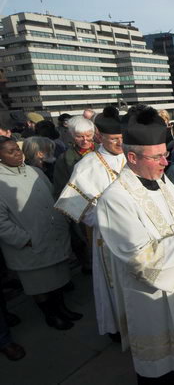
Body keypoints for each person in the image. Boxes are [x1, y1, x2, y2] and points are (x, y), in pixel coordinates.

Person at [96, 106, 174, 383]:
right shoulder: (114, 199)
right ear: (132, 157)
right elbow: (138, 256)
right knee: (167, 368)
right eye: (157, 157)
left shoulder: (161, 179)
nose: (165, 163)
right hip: (153, 296)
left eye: (165, 155)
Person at [54, 106, 126, 338]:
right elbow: (77, 207)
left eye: (122, 139)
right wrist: (107, 217)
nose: (119, 144)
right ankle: (117, 326)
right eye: (114, 139)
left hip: (136, 233)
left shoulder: (131, 157)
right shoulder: (88, 165)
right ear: (100, 137)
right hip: (107, 235)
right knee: (114, 283)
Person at [0, 136, 80, 331]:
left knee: (58, 278)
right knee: (40, 285)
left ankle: (62, 308)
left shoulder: (35, 171)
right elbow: (1, 223)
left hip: (51, 237)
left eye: (17, 149)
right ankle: (51, 315)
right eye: (10, 151)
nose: (17, 153)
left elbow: (52, 195)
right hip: (29, 245)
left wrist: (61, 222)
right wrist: (25, 240)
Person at [53, 116, 96, 197]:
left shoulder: (103, 151)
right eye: (79, 136)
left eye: (88, 135)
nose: (85, 140)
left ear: (93, 134)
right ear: (72, 135)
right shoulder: (64, 158)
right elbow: (60, 187)